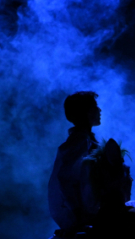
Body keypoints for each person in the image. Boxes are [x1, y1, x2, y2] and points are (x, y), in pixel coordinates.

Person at [48, 91, 103, 238]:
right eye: (95, 107)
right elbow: (64, 178)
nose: (100, 110)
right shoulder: (79, 141)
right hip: (74, 214)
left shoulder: (84, 140)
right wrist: (77, 212)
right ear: (85, 112)